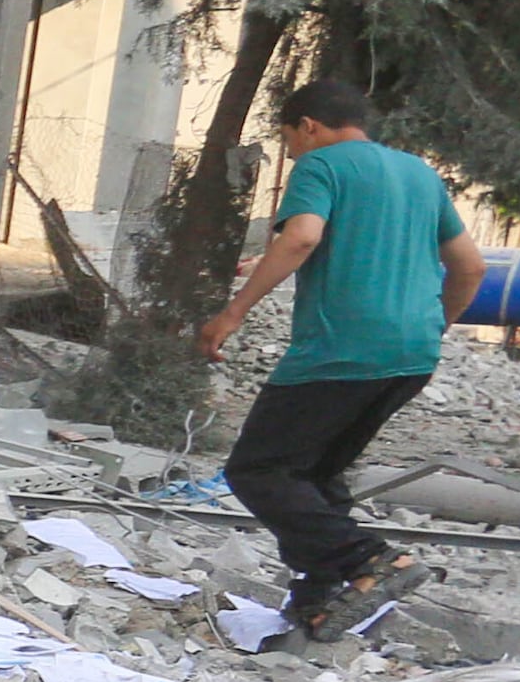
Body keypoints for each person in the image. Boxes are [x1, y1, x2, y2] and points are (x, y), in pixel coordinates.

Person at [198, 77, 474, 636]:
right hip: (411, 354)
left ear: (309, 126)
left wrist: (233, 313)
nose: (292, 152)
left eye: (290, 140)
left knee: (257, 470)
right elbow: (470, 267)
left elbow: (302, 237)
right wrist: (429, 327)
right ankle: (316, 599)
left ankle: (367, 559)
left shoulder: (321, 166)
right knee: (317, 474)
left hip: (340, 349)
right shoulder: (420, 174)